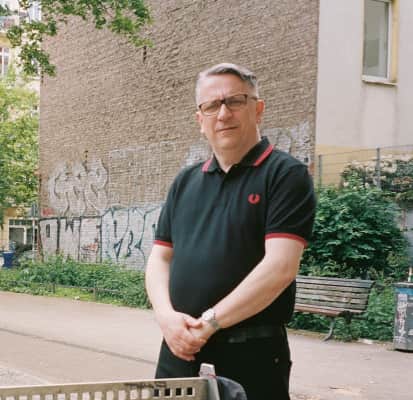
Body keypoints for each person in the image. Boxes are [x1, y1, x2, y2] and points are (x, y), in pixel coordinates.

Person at [145, 63, 316, 400]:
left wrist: (208, 324)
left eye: (235, 101)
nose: (223, 114)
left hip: (251, 354)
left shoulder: (285, 175)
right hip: (179, 351)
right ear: (200, 120)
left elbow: (280, 268)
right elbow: (160, 258)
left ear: (258, 108)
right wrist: (166, 318)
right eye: (211, 105)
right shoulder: (185, 182)